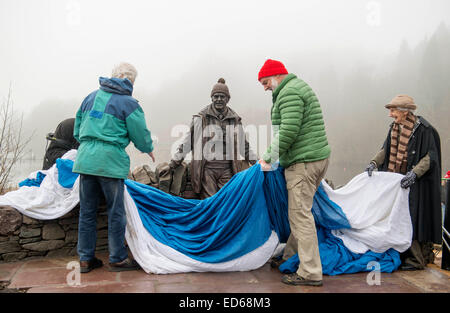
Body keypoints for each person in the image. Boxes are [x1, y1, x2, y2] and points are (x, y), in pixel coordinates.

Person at [73, 62, 155, 273]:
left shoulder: (90, 97)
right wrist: (148, 149)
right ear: (129, 80)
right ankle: (117, 258)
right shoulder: (129, 104)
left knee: (87, 212)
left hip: (85, 160)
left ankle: (85, 259)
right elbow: (141, 135)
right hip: (110, 161)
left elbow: (76, 129)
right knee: (116, 211)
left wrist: (89, 145)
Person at [258, 59, 331, 286]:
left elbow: (288, 130)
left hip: (304, 162)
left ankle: (310, 272)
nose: (265, 87)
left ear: (276, 76)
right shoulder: (296, 87)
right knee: (299, 212)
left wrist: (267, 157)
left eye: (265, 82)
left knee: (300, 216)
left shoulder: (289, 93)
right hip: (314, 158)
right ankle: (290, 257)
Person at [365, 95, 442, 271]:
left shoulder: (424, 130)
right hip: (397, 183)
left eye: (393, 111)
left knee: (411, 220)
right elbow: (386, 149)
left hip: (415, 184)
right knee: (398, 218)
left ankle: (416, 260)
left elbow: (430, 157)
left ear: (404, 112)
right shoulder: (394, 128)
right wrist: (374, 163)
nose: (390, 114)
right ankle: (403, 255)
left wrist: (414, 174)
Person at [160, 78, 256, 199]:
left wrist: (257, 162)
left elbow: (244, 146)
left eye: (222, 96)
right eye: (216, 96)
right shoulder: (201, 117)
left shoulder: (235, 119)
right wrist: (173, 164)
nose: (219, 99)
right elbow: (188, 143)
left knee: (227, 201)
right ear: (211, 98)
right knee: (211, 202)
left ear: (228, 99)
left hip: (228, 169)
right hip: (206, 169)